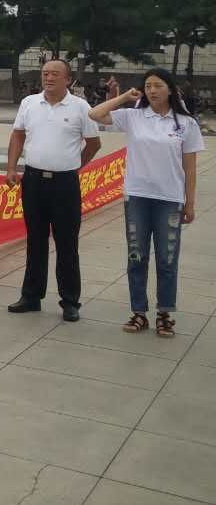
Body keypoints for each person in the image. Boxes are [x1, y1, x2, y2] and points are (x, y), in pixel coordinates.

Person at [89, 69, 203, 338]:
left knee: (167, 259)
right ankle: (139, 312)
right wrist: (124, 97)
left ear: (170, 89)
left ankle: (164, 313)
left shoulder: (185, 124)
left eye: (158, 85)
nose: (152, 90)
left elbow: (190, 168)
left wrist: (190, 203)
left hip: (170, 200)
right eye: (148, 86)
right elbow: (95, 114)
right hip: (137, 197)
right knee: (136, 257)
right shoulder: (134, 117)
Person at [5, 59, 102, 321]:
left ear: (67, 79)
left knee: (67, 243)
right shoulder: (29, 103)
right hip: (33, 181)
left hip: (64, 184)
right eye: (45, 73)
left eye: (54, 74)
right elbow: (18, 135)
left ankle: (70, 301)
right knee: (35, 240)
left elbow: (94, 143)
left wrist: (73, 165)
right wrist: (11, 167)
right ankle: (31, 296)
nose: (48, 78)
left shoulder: (81, 107)